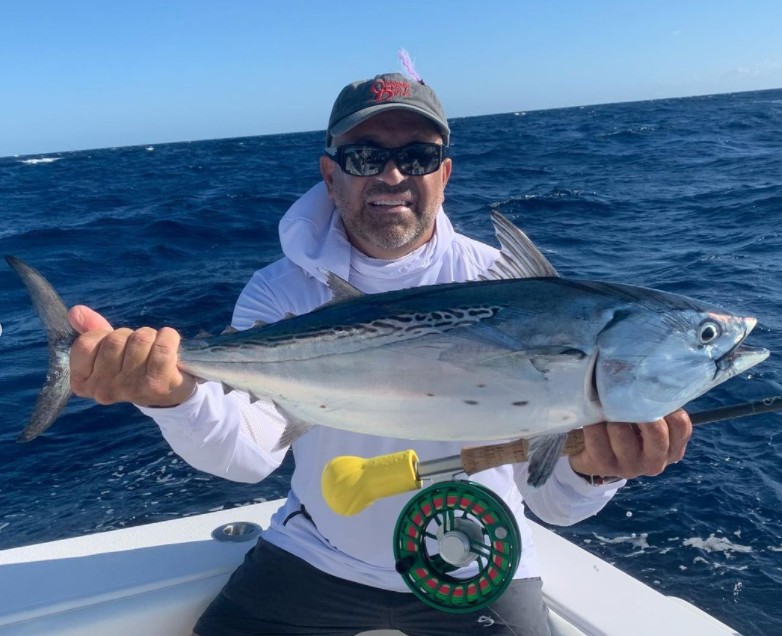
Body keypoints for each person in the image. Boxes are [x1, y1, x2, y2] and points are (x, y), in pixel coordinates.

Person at [68, 72, 692, 636]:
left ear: (444, 172)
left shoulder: (502, 281)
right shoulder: (283, 292)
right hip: (317, 556)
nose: (392, 176)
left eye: (417, 156)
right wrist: (174, 398)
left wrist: (596, 469)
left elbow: (555, 505)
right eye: (366, 156)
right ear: (330, 173)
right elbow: (251, 453)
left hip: (482, 557)